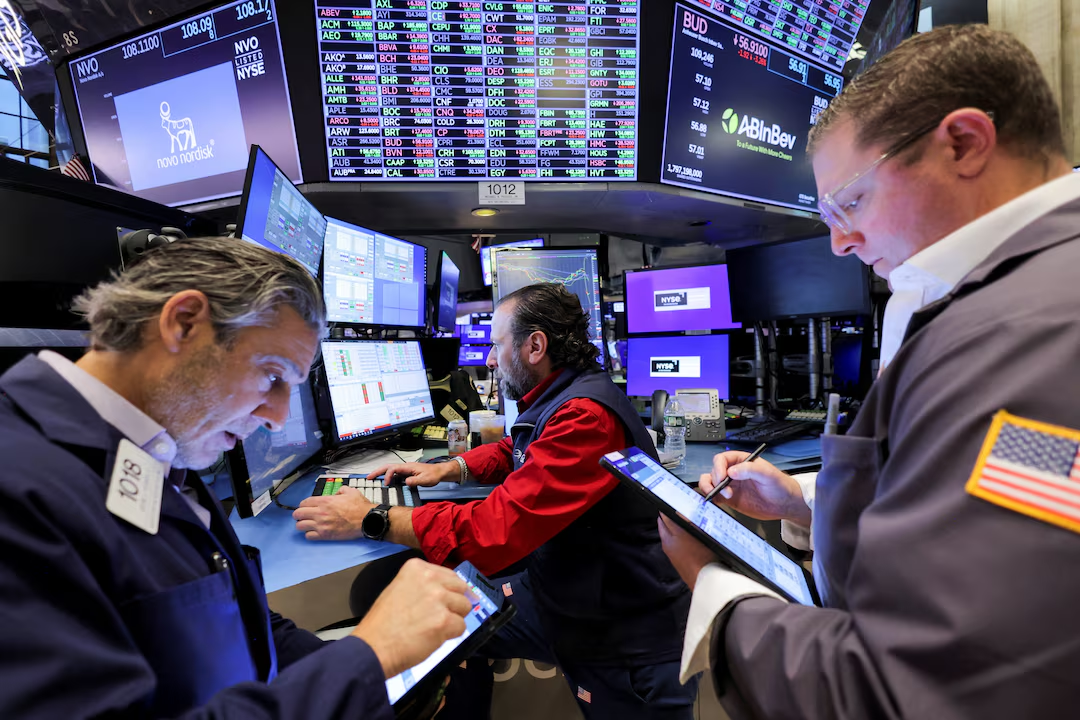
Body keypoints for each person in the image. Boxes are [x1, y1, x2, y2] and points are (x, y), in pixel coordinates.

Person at [658, 24, 1080, 718]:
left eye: (850, 201)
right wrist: (806, 503)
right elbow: (974, 487)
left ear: (964, 143)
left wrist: (718, 593)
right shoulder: (981, 290)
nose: (839, 241)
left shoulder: (1029, 331)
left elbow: (927, 688)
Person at [0, 237, 474, 719]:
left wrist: (385, 683)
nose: (277, 417)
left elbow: (247, 629)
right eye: (272, 375)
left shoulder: (163, 452)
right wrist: (368, 658)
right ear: (184, 323)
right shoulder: (17, 485)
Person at [295, 283, 696, 719]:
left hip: (621, 633)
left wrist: (374, 517)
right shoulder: (567, 394)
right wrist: (452, 468)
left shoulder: (585, 418)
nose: (489, 359)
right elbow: (519, 446)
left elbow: (492, 531)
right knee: (421, 610)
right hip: (563, 589)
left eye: (496, 345)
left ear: (535, 347)